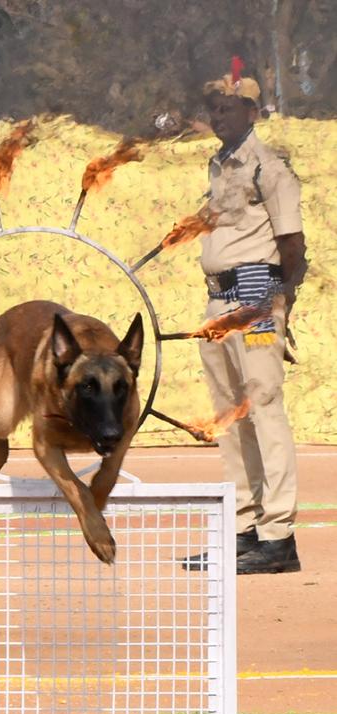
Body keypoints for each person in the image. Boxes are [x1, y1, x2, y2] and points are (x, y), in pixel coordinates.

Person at [184, 67, 307, 575]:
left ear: (252, 113)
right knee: (231, 421)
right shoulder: (221, 167)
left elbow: (293, 247)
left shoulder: (269, 168)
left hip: (256, 297)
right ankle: (243, 529)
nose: (218, 115)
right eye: (214, 107)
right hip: (219, 301)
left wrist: (278, 303)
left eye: (228, 107)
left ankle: (278, 537)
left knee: (264, 411)